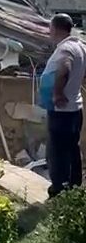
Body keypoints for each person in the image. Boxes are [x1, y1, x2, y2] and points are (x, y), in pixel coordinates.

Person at [39, 14, 86, 197]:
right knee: (72, 148)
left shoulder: (65, 48)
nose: (49, 32)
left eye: (50, 28)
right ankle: (74, 186)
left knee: (57, 151)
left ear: (56, 28)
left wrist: (58, 93)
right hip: (76, 107)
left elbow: (64, 68)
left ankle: (58, 188)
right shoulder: (81, 47)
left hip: (61, 109)